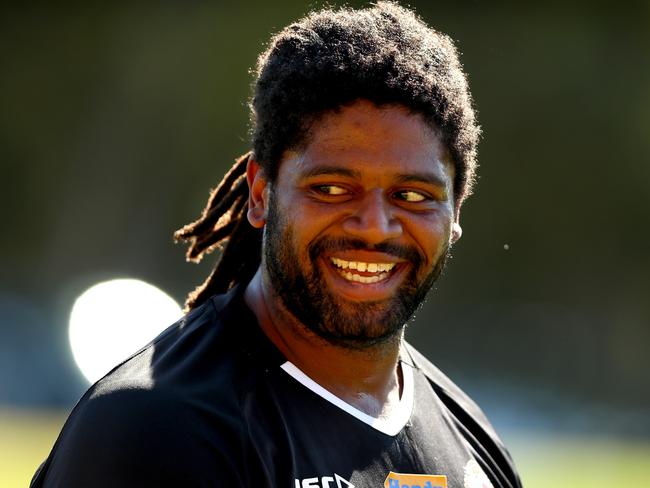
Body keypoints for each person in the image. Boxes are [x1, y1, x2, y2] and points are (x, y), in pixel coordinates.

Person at [32, 3, 522, 487]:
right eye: (331, 188)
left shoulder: (472, 444)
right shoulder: (159, 429)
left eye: (411, 196)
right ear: (262, 193)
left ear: (455, 211)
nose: (375, 227)